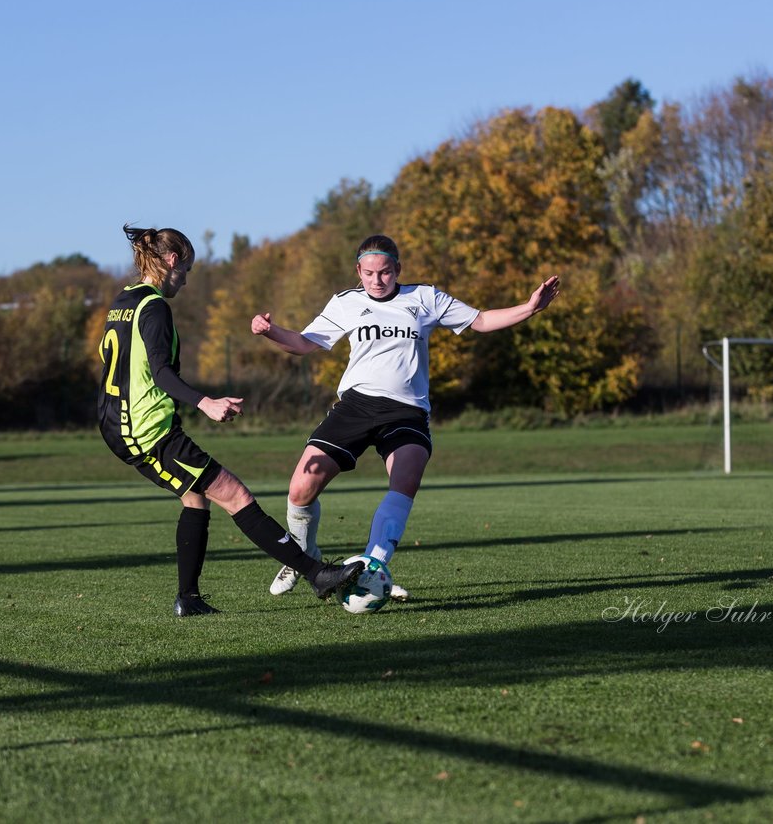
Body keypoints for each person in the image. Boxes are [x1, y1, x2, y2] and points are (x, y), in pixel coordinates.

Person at [250, 234, 561, 598]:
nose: (377, 280)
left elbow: (480, 320)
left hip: (407, 410)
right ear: (358, 271)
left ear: (397, 269)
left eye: (384, 272)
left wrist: (529, 308)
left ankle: (372, 569)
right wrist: (270, 332)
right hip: (356, 405)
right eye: (368, 273)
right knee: (302, 484)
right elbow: (304, 343)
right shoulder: (346, 303)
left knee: (406, 478)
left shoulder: (424, 298)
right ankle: (302, 555)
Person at [97, 225, 363, 617]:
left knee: (196, 498)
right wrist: (205, 402)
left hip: (119, 422)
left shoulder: (124, 300)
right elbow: (161, 374)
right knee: (235, 495)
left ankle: (188, 599)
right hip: (145, 430)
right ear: (172, 262)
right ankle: (317, 574)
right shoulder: (154, 307)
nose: (185, 281)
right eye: (185, 270)